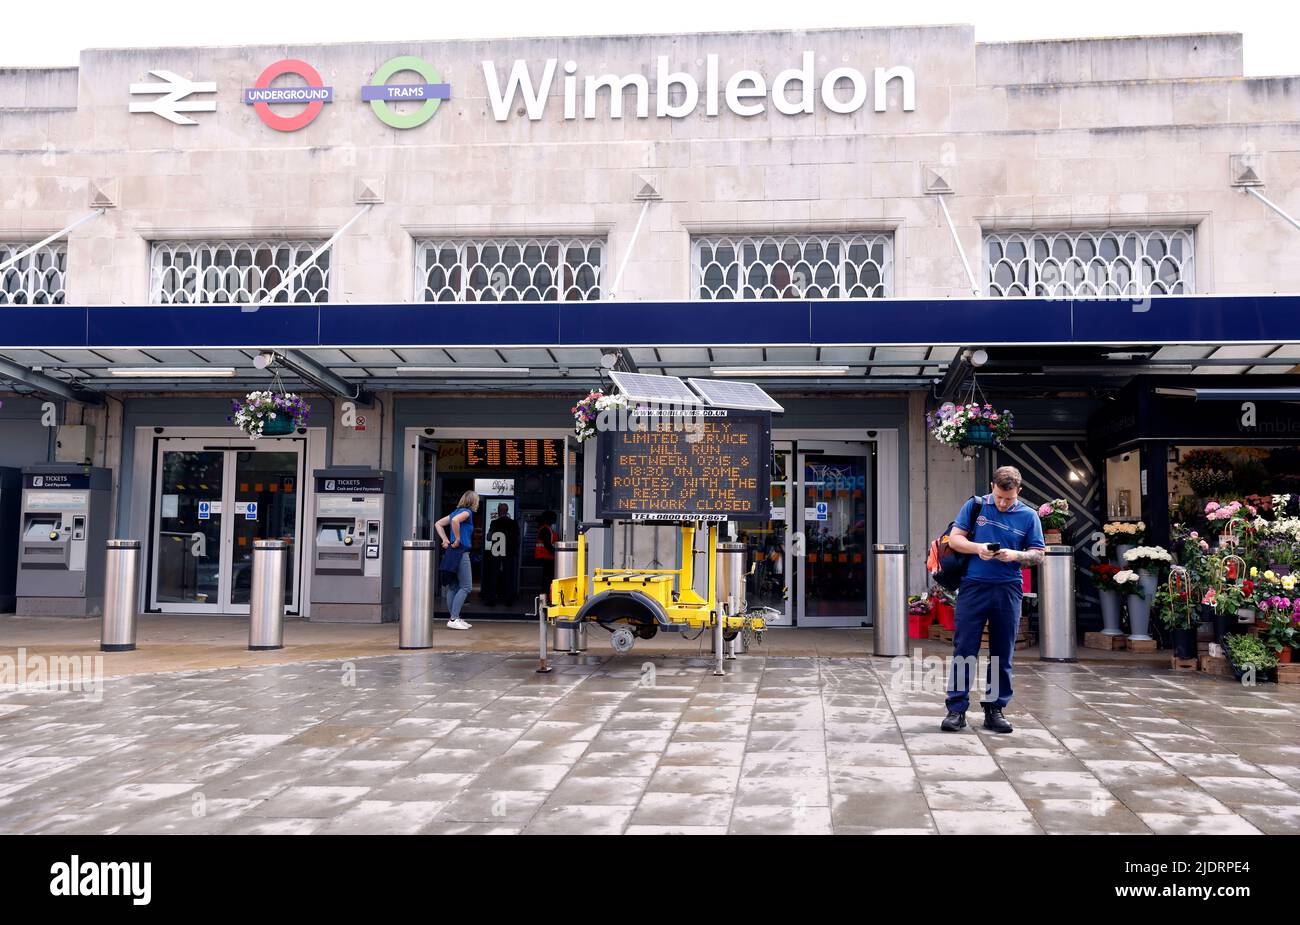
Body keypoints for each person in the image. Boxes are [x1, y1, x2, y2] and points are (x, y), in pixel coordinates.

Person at [940, 466, 1045, 734]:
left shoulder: (1029, 516)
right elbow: (954, 539)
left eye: (1008, 499)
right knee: (964, 647)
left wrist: (1016, 555)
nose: (1001, 502)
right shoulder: (975, 506)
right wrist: (978, 549)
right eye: (998, 496)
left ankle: (995, 709)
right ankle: (956, 709)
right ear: (992, 486)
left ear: (1018, 491)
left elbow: (1038, 554)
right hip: (973, 586)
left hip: (1008, 588)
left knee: (1002, 651)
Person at [435, 490, 479, 631]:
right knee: (466, 587)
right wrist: (458, 539)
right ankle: (454, 618)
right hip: (461, 552)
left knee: (453, 587)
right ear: (473, 501)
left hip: (451, 552)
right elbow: (455, 522)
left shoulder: (455, 512)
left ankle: (455, 617)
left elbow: (438, 524)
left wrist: (446, 540)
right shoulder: (467, 513)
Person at [482, 502, 520, 607]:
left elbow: (489, 537)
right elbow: (517, 538)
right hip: (509, 552)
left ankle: (492, 599)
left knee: (494, 575)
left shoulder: (495, 523)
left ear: (499, 511)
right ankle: (508, 599)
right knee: (508, 575)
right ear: (507, 511)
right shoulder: (513, 523)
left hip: (497, 551)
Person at [534, 510, 558, 594]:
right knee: (548, 579)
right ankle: (546, 596)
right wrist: (556, 554)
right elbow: (548, 545)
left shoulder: (545, 528)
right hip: (547, 557)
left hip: (546, 557)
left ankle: (546, 595)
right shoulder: (545, 529)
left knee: (547, 578)